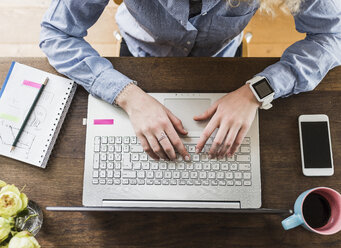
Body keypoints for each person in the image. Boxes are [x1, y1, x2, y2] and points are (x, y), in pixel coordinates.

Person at [40, 0, 341, 161]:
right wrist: (126, 94)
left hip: (225, 61)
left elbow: (333, 35)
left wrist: (257, 91)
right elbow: (56, 33)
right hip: (138, 54)